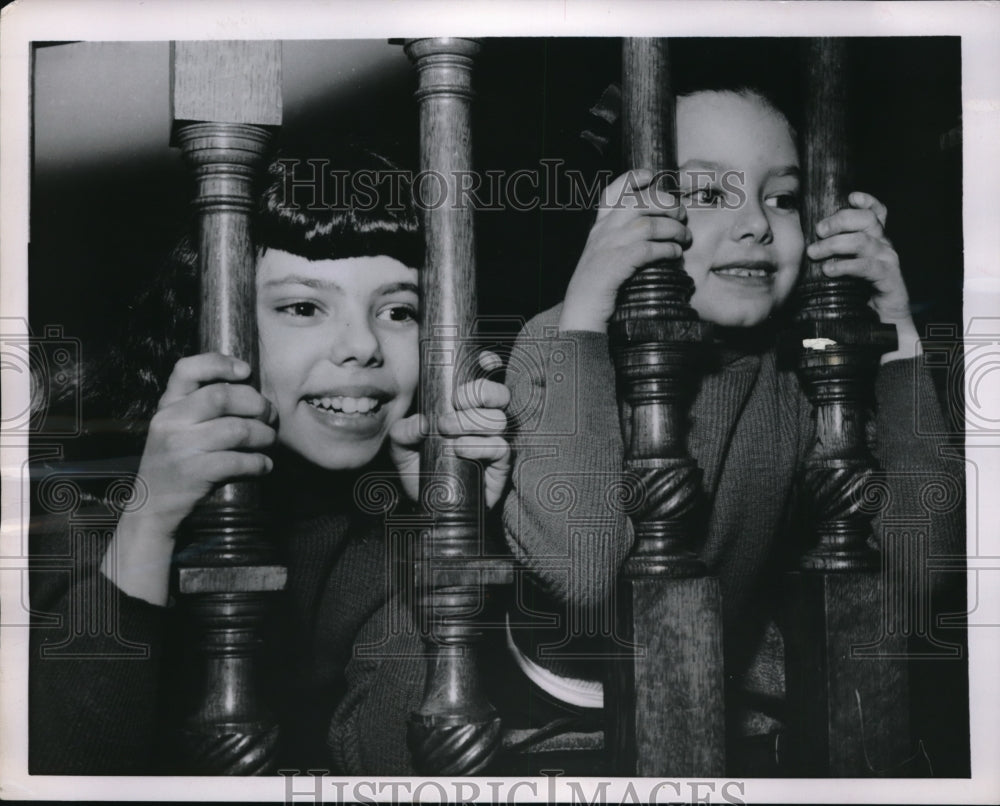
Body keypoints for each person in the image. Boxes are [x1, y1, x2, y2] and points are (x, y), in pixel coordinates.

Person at [501, 88, 965, 773]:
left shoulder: (798, 370)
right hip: (546, 720)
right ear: (620, 214)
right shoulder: (557, 343)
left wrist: (894, 332)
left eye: (781, 199)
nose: (755, 224)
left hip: (713, 700)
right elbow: (584, 573)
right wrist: (588, 311)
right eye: (710, 195)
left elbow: (917, 575)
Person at [28, 147, 512, 775]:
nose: (363, 346)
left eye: (398, 311)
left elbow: (397, 766)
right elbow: (68, 775)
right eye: (304, 308)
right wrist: (149, 526)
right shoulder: (73, 522)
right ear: (215, 328)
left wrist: (451, 533)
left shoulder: (380, 537)